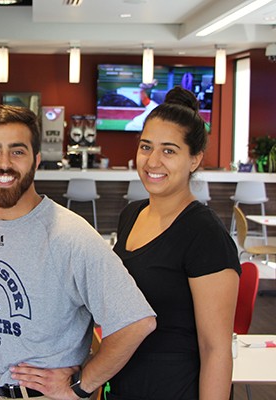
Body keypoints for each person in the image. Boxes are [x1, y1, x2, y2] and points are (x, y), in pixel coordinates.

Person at [0, 104, 157, 400]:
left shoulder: (71, 236)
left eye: (17, 151)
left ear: (36, 160)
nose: (4, 163)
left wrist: (82, 384)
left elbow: (137, 321)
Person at [108, 86, 241, 400]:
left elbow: (216, 350)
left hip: (175, 389)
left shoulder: (204, 233)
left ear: (194, 159)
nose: (153, 161)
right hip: (124, 384)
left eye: (169, 150)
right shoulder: (132, 214)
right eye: (145, 147)